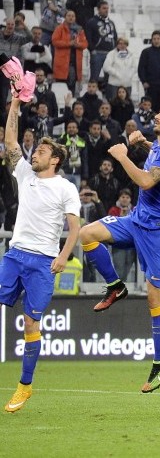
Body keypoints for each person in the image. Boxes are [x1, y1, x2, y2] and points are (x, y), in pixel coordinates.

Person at [78, 102, 160, 393]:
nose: (157, 115)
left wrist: (123, 156)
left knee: (155, 298)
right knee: (88, 234)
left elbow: (145, 180)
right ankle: (115, 286)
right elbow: (158, 152)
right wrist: (144, 143)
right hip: (137, 219)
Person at [1, 91, 80, 413]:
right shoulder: (24, 174)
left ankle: (24, 386)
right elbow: (10, 142)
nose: (35, 154)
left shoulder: (65, 187)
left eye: (42, 151)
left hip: (43, 262)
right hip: (15, 253)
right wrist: (16, 105)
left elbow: (74, 226)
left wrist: (63, 256)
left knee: (31, 325)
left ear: (55, 159)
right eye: (36, 150)